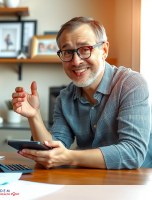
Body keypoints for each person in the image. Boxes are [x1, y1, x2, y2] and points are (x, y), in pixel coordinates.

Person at [11, 17, 152, 169]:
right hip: (90, 181)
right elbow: (52, 154)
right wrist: (34, 116)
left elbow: (133, 153)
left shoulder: (131, 84)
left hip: (137, 183)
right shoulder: (65, 97)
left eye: (85, 49)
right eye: (67, 52)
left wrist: (69, 157)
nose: (76, 61)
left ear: (104, 50)